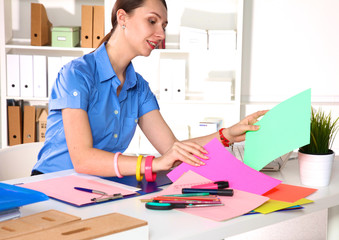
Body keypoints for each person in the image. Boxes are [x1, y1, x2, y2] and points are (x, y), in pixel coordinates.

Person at [32, 0, 267, 179]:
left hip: (99, 187)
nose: (161, 34)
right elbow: (82, 159)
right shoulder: (77, 74)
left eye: (163, 26)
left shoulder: (138, 87)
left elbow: (172, 150)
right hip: (51, 188)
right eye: (152, 21)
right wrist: (152, 164)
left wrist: (226, 135)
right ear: (122, 18)